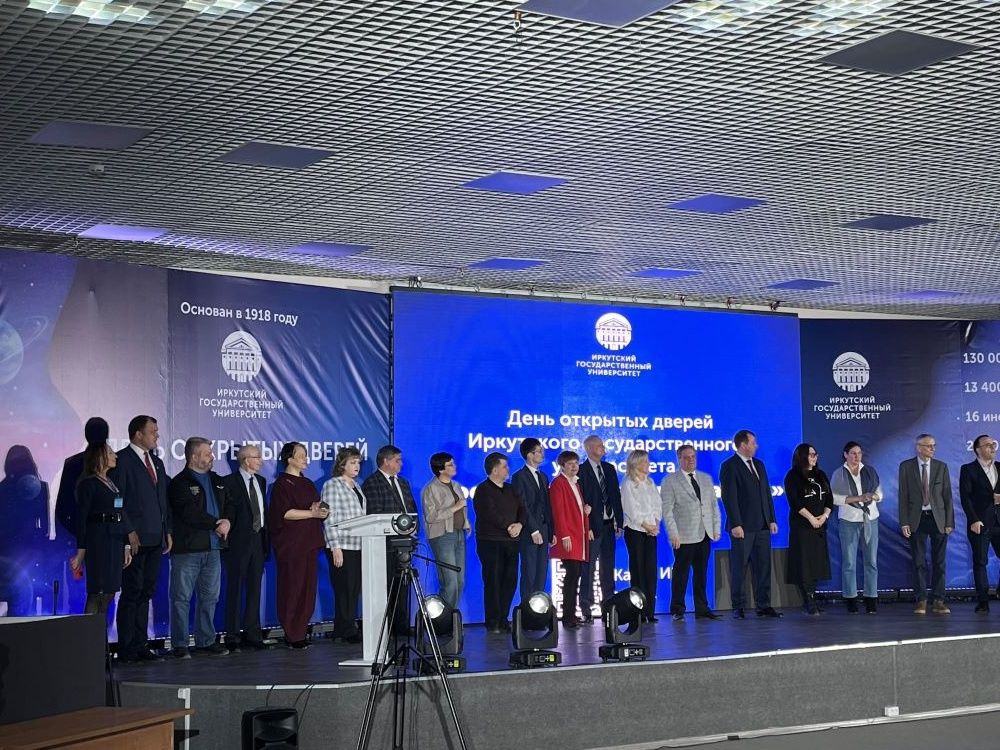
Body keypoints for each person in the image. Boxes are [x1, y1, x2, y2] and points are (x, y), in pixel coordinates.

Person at [112, 415, 171, 663]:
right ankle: (126, 648)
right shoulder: (122, 460)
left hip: (156, 539)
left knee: (146, 591)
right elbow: (117, 499)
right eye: (152, 431)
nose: (157, 435)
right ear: (138, 434)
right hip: (135, 540)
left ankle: (140, 644)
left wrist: (167, 531)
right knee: (131, 592)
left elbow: (162, 500)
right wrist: (128, 530)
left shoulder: (156, 462)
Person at [167, 438, 231, 658]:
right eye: (207, 453)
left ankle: (206, 640)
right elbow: (189, 513)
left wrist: (227, 521)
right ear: (193, 457)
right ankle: (180, 644)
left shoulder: (217, 480)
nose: (212, 456)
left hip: (214, 549)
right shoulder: (179, 483)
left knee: (210, 597)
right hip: (188, 550)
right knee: (181, 598)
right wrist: (216, 523)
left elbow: (230, 505)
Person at [268, 442, 328, 648]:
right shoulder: (282, 484)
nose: (305, 459)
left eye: (306, 455)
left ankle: (301, 630)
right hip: (292, 545)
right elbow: (284, 513)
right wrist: (311, 513)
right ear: (289, 459)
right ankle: (291, 633)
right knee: (292, 588)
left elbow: (315, 507)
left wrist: (321, 511)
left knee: (307, 590)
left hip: (310, 542)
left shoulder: (308, 483)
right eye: (301, 455)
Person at [720, 429, 780, 619]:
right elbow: (729, 497)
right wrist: (736, 523)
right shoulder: (729, 466)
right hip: (742, 527)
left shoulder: (759, 465)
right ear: (743, 445)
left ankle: (764, 605)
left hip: (762, 525)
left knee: (763, 567)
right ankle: (738, 606)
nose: (756, 445)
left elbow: (766, 494)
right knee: (739, 567)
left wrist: (771, 519)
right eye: (753, 443)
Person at [70, 440, 134, 617]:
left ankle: (99, 633)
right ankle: (88, 632)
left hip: (114, 540)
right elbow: (82, 519)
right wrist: (81, 551)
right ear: (99, 457)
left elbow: (120, 513)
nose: (115, 456)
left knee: (109, 592)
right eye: (111, 453)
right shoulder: (88, 484)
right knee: (98, 592)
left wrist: (126, 545)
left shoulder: (112, 483)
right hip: (98, 542)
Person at [660, 445, 721, 621]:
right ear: (679, 459)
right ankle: (677, 609)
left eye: (693, 456)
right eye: (686, 457)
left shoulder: (706, 478)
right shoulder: (670, 481)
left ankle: (702, 608)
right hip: (683, 536)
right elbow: (667, 512)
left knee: (701, 573)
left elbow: (713, 507)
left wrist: (716, 528)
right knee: (681, 574)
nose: (691, 460)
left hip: (705, 533)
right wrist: (673, 534)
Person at [362, 445, 418, 635]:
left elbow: (411, 508)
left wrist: (413, 528)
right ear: (386, 461)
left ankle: (401, 625)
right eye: (397, 460)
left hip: (405, 543)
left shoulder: (403, 482)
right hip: (385, 544)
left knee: (403, 584)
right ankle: (386, 627)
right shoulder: (372, 482)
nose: (401, 464)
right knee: (387, 586)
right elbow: (375, 513)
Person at [899, 433, 954, 615]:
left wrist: (949, 522)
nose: (932, 449)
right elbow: (903, 496)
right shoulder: (906, 467)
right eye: (929, 445)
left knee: (940, 562)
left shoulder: (941, 467)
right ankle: (921, 600)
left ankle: (939, 600)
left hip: (938, 519)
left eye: (934, 445)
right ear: (918, 447)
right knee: (918, 562)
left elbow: (947, 496)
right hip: (917, 519)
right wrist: (904, 522)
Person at [221, 444, 269, 651]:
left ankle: (253, 634)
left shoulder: (261, 481)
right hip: (237, 543)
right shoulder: (229, 482)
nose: (261, 461)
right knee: (234, 590)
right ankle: (232, 636)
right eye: (257, 457)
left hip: (258, 541)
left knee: (255, 589)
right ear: (245, 460)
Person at [473, 452, 526, 633]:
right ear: (494, 470)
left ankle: (503, 619)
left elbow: (523, 509)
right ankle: (493, 621)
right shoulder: (483, 490)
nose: (507, 469)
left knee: (510, 581)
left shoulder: (511, 489)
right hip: (491, 542)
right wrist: (508, 526)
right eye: (504, 466)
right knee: (493, 581)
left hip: (512, 542)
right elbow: (489, 513)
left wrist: (520, 524)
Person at [830, 441, 883, 614]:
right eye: (853, 453)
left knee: (871, 561)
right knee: (849, 562)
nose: (856, 456)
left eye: (859, 453)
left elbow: (880, 494)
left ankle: (871, 598)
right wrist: (858, 498)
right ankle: (851, 598)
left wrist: (872, 496)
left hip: (870, 519)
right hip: (848, 520)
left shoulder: (869, 471)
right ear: (845, 455)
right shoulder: (839, 474)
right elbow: (834, 498)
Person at [321, 446, 367, 643]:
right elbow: (329, 518)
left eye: (358, 463)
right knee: (345, 589)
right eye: (352, 463)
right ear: (342, 465)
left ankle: (344, 628)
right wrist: (335, 547)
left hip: (358, 544)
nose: (357, 466)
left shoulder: (357, 485)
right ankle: (346, 629)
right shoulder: (332, 485)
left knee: (353, 589)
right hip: (342, 544)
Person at [577, 435, 623, 622]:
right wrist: (586, 526)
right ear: (589, 448)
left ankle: (609, 607)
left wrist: (619, 521)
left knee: (608, 567)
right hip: (592, 528)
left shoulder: (609, 469)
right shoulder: (581, 470)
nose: (603, 448)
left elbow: (615, 497)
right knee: (588, 568)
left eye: (603, 445)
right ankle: (586, 608)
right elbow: (581, 501)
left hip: (609, 525)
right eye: (599, 445)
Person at [783, 443, 833, 616]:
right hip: (802, 526)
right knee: (804, 565)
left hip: (819, 526)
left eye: (816, 454)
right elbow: (795, 502)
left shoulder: (821, 475)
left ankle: (812, 597)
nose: (815, 457)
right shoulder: (793, 476)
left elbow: (829, 499)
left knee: (816, 564)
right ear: (802, 456)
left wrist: (824, 516)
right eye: (811, 454)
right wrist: (811, 518)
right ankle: (809, 601)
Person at [420, 452, 470, 609]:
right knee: (450, 582)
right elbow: (431, 517)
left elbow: (462, 507)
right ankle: (444, 618)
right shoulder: (431, 489)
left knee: (460, 581)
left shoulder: (456, 485)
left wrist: (466, 523)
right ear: (440, 469)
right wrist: (455, 507)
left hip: (459, 533)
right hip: (442, 536)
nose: (454, 466)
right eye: (450, 464)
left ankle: (451, 615)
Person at [549, 451, 591, 628]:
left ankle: (571, 614)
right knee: (572, 576)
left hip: (578, 535)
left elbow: (577, 509)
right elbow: (558, 511)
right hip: (569, 536)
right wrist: (564, 534)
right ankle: (568, 616)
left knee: (575, 575)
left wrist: (586, 516)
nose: (574, 467)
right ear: (562, 466)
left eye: (576, 463)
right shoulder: (558, 483)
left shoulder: (575, 483)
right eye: (570, 464)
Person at [959, 434, 1000, 613]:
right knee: (980, 562)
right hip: (980, 522)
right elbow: (966, 497)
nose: (992, 447)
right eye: (988, 445)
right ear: (977, 449)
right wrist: (974, 519)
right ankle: (983, 600)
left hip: (999, 521)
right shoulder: (968, 469)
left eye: (993, 444)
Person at [620, 450, 662, 622]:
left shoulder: (650, 482)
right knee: (638, 571)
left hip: (651, 531)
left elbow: (657, 505)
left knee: (650, 571)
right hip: (636, 531)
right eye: (644, 461)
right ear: (636, 464)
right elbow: (631, 510)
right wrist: (646, 526)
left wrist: (656, 524)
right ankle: (639, 611)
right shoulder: (628, 484)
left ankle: (649, 611)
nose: (648, 464)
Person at [511, 438, 555, 602]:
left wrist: (551, 530)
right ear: (530, 455)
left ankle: (539, 607)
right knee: (529, 572)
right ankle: (526, 609)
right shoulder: (519, 477)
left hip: (544, 528)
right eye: (539, 451)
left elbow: (547, 505)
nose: (542, 454)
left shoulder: (543, 476)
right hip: (530, 531)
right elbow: (523, 506)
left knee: (541, 572)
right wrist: (534, 529)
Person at [56, 417, 109, 543]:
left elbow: (63, 505)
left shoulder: (72, 463)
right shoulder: (114, 462)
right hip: (108, 534)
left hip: (78, 533)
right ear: (107, 435)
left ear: (86, 435)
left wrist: (76, 531)